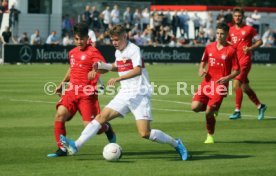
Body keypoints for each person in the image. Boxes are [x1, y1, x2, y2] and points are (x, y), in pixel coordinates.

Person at [60, 24, 188, 161]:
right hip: (124, 93)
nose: (114, 43)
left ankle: (176, 143)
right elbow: (117, 66)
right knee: (100, 118)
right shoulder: (118, 52)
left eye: (117, 40)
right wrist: (101, 66)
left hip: (139, 94)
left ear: (125, 36)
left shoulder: (134, 49)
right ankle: (76, 145)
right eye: (112, 40)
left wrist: (118, 78)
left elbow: (137, 70)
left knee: (145, 133)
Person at [47, 22, 116, 157]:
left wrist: (95, 70)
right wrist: (62, 83)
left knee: (90, 128)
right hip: (72, 92)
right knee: (60, 114)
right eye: (77, 39)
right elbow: (72, 69)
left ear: (87, 38)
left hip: (87, 95)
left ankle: (106, 127)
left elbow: (104, 67)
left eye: (82, 39)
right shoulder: (72, 52)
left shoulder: (93, 52)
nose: (79, 42)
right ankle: (62, 149)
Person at [191, 22, 240, 144]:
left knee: (208, 112)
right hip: (207, 82)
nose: (219, 36)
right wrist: (201, 68)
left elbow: (237, 70)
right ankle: (214, 108)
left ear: (227, 34)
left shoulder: (231, 50)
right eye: (217, 33)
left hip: (220, 85)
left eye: (222, 34)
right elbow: (203, 60)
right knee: (195, 108)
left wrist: (227, 78)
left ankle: (210, 135)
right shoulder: (209, 47)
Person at [227, 7, 267, 120]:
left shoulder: (250, 29)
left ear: (243, 17)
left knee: (236, 84)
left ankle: (237, 111)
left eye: (239, 16)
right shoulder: (230, 30)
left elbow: (260, 41)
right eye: (235, 16)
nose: (237, 18)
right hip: (236, 62)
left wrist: (250, 48)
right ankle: (260, 106)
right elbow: (228, 42)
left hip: (245, 61)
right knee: (245, 88)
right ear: (233, 17)